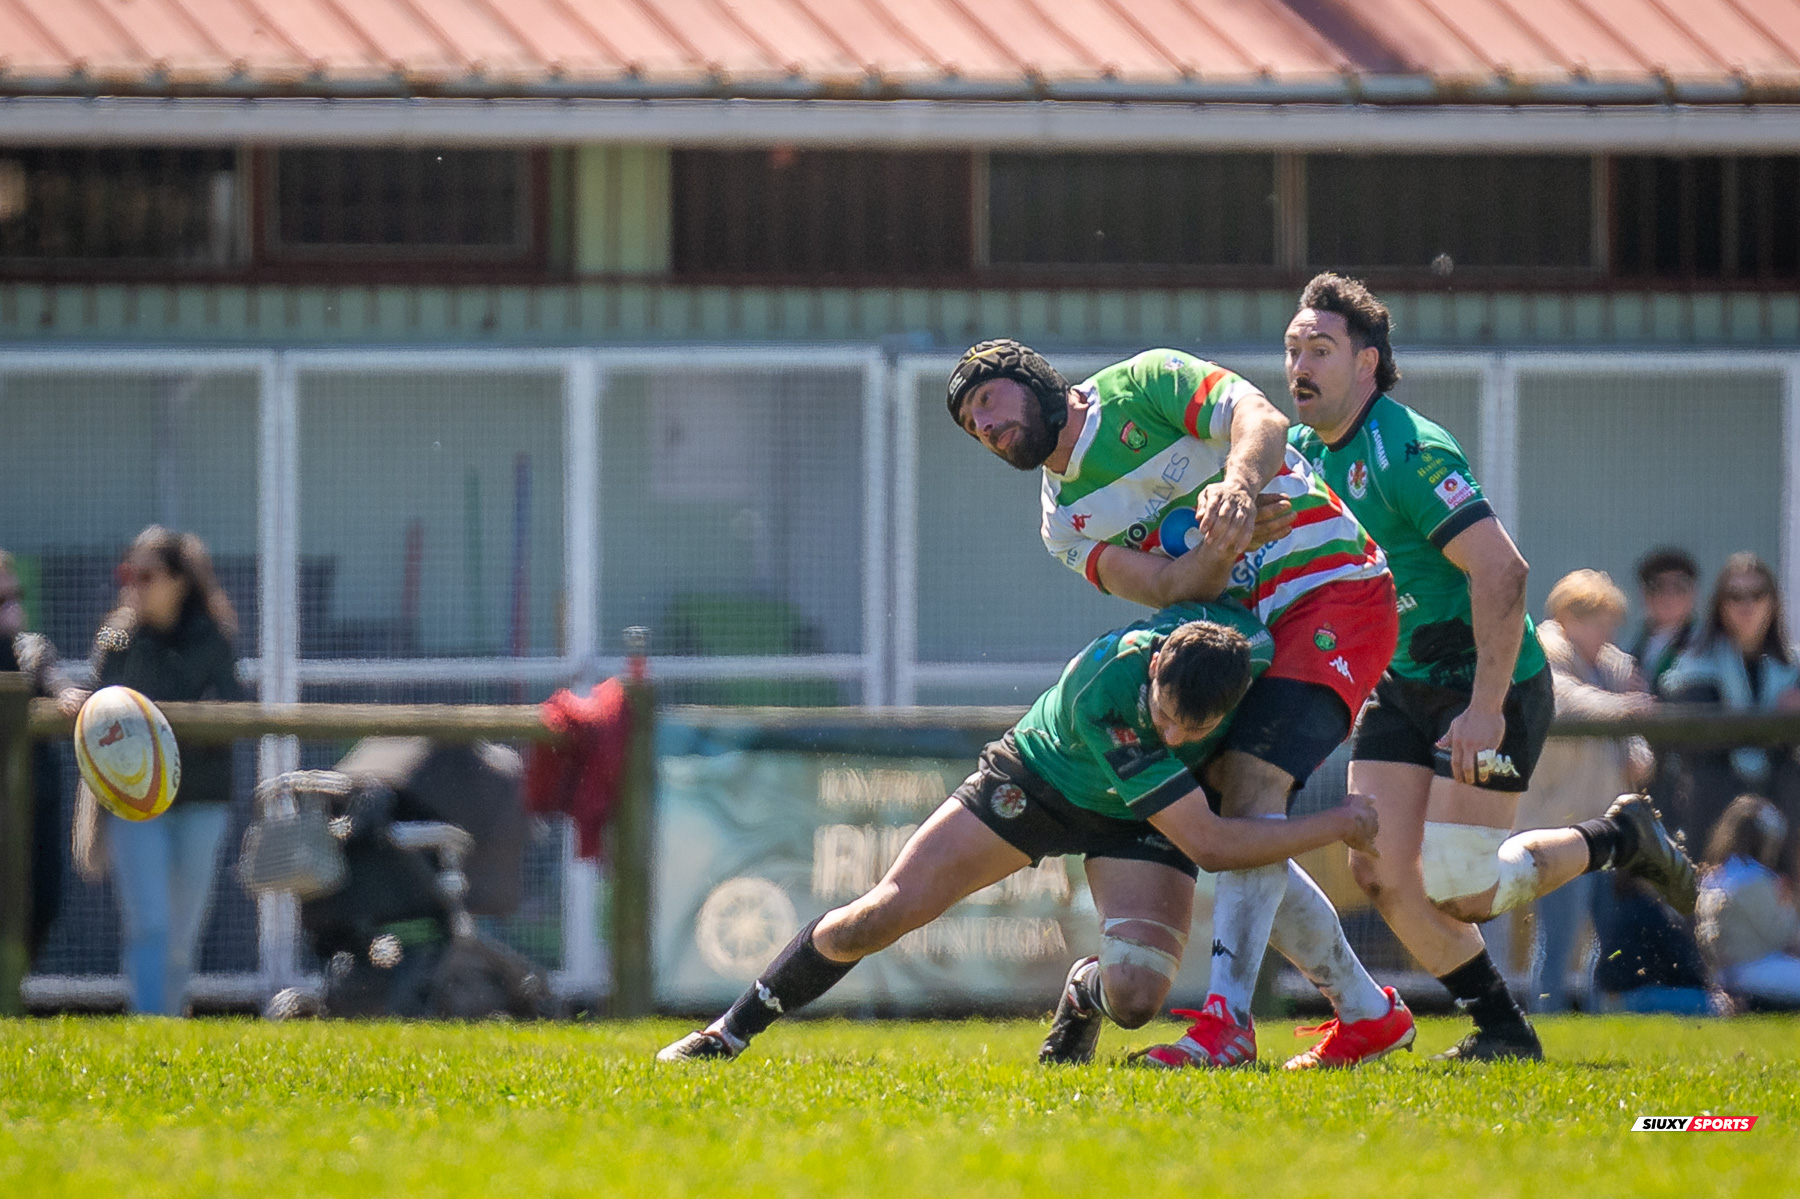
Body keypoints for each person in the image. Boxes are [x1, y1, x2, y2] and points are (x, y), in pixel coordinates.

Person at [657, 602, 1400, 1066]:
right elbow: (1209, 844)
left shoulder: (1252, 658)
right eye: (1162, 710)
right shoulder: (1109, 693)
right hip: (1041, 780)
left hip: (1143, 811)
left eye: (1190, 728)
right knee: (886, 910)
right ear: (1154, 668)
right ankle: (727, 1030)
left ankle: (1084, 993)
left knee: (1137, 996)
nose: (1169, 730)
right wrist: (1334, 823)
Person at [945, 339, 1405, 1071]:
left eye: (987, 402)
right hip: (1243, 634)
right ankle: (1366, 1012)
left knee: (1252, 795)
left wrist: (1240, 487)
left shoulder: (1145, 381)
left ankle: (1227, 1024)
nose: (987, 428)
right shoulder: (1062, 520)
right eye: (973, 426)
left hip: (1333, 592)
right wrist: (1223, 547)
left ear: (1030, 377)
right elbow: (1166, 590)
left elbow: (1262, 419)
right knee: (1239, 819)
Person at [1284, 272, 1698, 1060]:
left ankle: (1617, 836)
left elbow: (1503, 573)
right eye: (1293, 348)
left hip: (1487, 682)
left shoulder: (1407, 447)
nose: (1300, 363)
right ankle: (1503, 1031)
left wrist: (1484, 705)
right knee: (1379, 874)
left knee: (1459, 887)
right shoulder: (1303, 453)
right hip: (1403, 685)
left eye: (1321, 348)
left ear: (1368, 363)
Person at [91, 526, 246, 1015]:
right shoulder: (118, 636)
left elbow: (232, 710)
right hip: (135, 803)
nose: (134, 584)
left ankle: (169, 1027)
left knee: (183, 932)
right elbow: (100, 703)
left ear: (180, 581)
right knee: (150, 923)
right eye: (127, 573)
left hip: (201, 800)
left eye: (147, 575)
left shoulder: (213, 635)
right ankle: (148, 1026)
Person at [1512, 570, 1655, 1012]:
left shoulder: (1613, 664)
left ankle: (1594, 1015)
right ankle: (1545, 1017)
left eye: (1611, 621)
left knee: (1602, 940)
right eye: (1597, 619)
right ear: (1566, 615)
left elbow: (1634, 741)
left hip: (1606, 824)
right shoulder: (1543, 652)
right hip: (1553, 827)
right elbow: (1568, 698)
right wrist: (1626, 707)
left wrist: (1640, 755)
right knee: (1558, 936)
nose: (1606, 631)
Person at [1660, 553, 1800, 863]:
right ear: (1720, 605)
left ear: (1773, 602)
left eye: (1757, 594)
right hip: (1713, 822)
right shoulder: (1693, 667)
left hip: (1785, 825)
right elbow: (1699, 739)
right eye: (1734, 595)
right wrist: (1778, 722)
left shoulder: (1794, 669)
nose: (1746, 605)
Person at [0, 550, 86, 964]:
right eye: (2, 601)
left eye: (16, 596)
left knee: (42, 901)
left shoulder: (26, 648)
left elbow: (45, 670)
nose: (12, 607)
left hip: (33, 801)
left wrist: (65, 693)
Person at [1696, 795, 1800, 1010]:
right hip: (1751, 970)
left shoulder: (1716, 876)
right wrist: (1789, 906)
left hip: (1722, 975)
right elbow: (1780, 937)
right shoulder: (1756, 879)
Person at [1630, 548, 1699, 692]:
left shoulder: (1704, 642)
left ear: (1692, 593)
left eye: (1678, 587)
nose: (1668, 596)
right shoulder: (1635, 644)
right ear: (1644, 594)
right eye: (1657, 587)